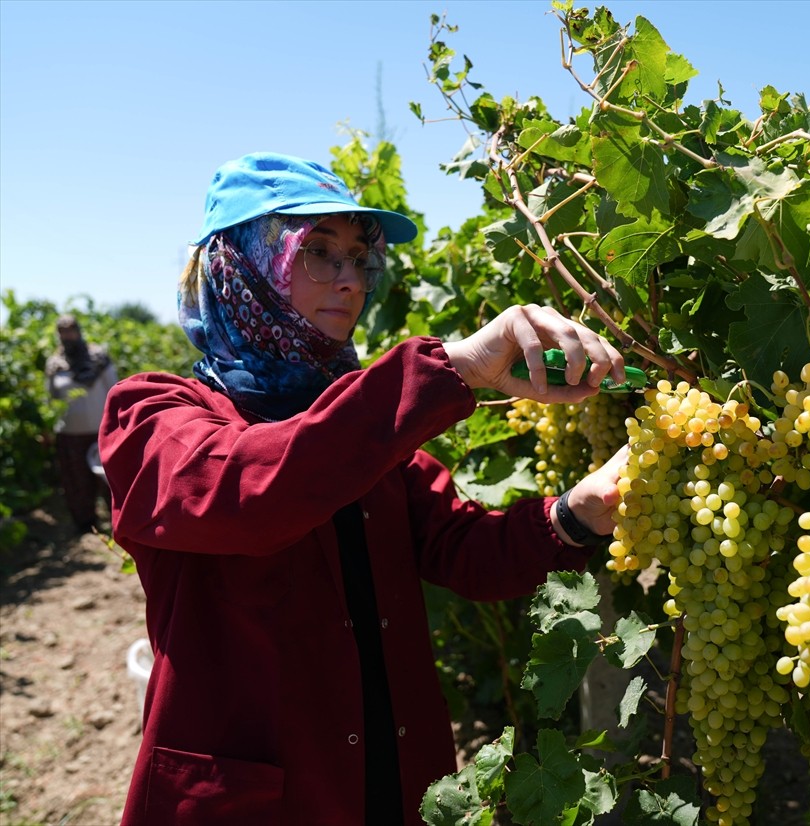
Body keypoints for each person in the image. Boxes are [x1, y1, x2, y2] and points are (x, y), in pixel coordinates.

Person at [98, 152, 629, 826]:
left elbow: (462, 548)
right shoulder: (152, 414)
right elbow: (253, 491)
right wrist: (454, 367)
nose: (350, 281)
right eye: (318, 253)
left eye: (361, 258)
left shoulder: (368, 426)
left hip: (391, 785)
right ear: (243, 265)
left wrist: (575, 515)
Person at [45, 314, 119, 531]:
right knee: (77, 482)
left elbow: (114, 391)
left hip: (100, 432)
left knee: (110, 479)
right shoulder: (54, 364)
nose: (68, 335)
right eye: (63, 331)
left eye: (71, 330)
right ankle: (86, 523)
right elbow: (50, 399)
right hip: (69, 434)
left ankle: (118, 522)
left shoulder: (98, 358)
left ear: (79, 330)